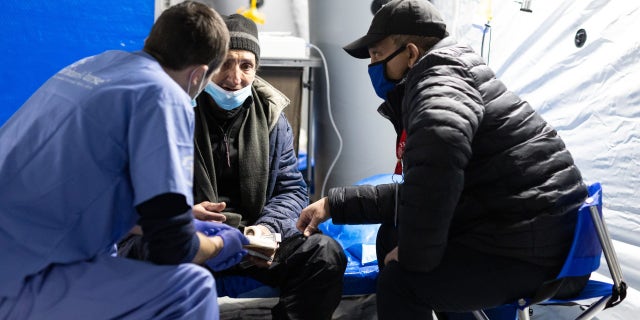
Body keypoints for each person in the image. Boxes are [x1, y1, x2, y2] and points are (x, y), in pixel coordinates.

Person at [296, 0, 590, 319]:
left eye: (378, 54)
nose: (372, 65)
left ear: (410, 53)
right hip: (544, 237)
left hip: (537, 254)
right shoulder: (455, 69)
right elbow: (424, 188)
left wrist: (411, 258)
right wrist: (333, 204)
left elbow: (437, 171)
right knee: (393, 235)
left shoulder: (438, 81)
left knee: (401, 281)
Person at [0, 2, 250, 319]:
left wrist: (183, 217)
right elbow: (171, 247)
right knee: (191, 287)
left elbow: (85, 191)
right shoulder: (163, 94)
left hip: (15, 248)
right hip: (19, 279)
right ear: (200, 74)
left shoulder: (95, 66)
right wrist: (220, 245)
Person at [119, 13, 347, 320]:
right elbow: (138, 190)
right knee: (155, 249)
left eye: (246, 65)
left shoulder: (272, 120)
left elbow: (291, 189)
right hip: (187, 234)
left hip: (249, 240)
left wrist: (266, 230)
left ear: (256, 69)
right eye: (225, 63)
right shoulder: (174, 110)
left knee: (324, 253)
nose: (235, 76)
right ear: (208, 65)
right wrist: (189, 219)